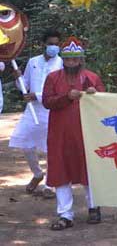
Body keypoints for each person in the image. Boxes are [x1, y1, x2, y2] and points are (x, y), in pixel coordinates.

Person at [42, 37, 105, 230]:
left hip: (86, 133)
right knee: (61, 171)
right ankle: (65, 215)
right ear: (63, 59)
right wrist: (66, 97)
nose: (71, 63)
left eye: (75, 59)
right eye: (68, 59)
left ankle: (94, 207)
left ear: (81, 60)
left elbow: (105, 103)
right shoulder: (53, 78)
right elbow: (47, 102)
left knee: (89, 170)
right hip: (60, 133)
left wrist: (96, 95)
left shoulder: (92, 78)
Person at [9, 29, 63, 198]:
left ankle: (50, 184)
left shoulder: (61, 63)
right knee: (24, 142)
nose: (53, 47)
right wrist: (17, 77)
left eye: (56, 44)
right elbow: (23, 85)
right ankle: (37, 174)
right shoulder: (33, 61)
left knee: (51, 148)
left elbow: (60, 90)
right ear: (43, 45)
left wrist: (37, 96)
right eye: (50, 44)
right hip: (31, 111)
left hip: (51, 111)